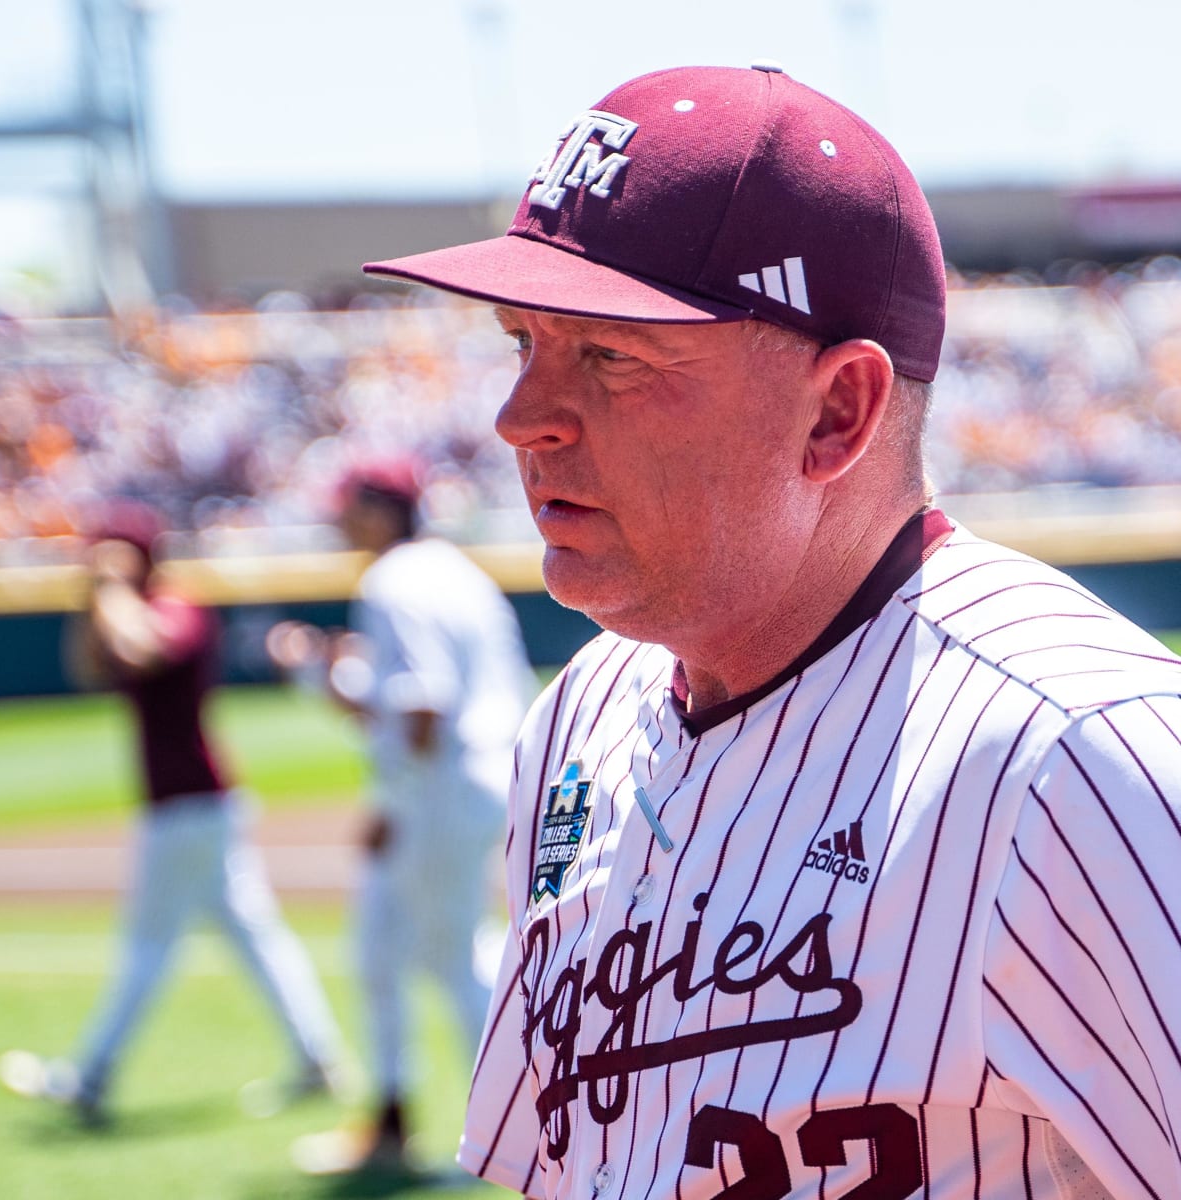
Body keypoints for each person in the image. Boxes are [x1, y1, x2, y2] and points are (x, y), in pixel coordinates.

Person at [357, 63, 1181, 1199]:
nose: (520, 419)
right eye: (521, 342)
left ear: (837, 411)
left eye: (609, 353)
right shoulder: (580, 724)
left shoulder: (1082, 755)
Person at [0, 500, 349, 1125]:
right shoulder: (122, 607)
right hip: (188, 806)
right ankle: (319, 1058)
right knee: (255, 938)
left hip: (193, 805)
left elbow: (144, 646)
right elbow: (88, 668)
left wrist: (108, 586)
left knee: (149, 948)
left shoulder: (175, 602)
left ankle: (91, 1074)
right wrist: (96, 595)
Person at [267, 459, 535, 1174]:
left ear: (384, 509)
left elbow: (423, 708)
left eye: (349, 506)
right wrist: (329, 677)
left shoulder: (394, 578)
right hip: (475, 777)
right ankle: (389, 1121)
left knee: (458, 961)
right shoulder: (452, 567)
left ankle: (530, 1128)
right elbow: (408, 705)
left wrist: (392, 803)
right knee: (381, 949)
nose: (338, 520)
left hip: (441, 786)